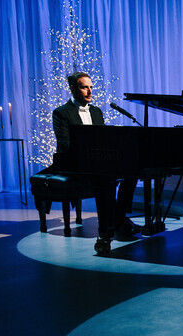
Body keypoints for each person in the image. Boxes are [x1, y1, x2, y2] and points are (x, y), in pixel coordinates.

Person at [53, 72, 140, 237]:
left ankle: (119, 217)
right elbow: (64, 144)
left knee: (132, 172)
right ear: (73, 89)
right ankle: (106, 230)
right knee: (105, 178)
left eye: (91, 87)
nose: (89, 91)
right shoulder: (61, 113)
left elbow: (103, 139)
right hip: (75, 163)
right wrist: (88, 149)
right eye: (84, 87)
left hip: (97, 161)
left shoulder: (96, 111)